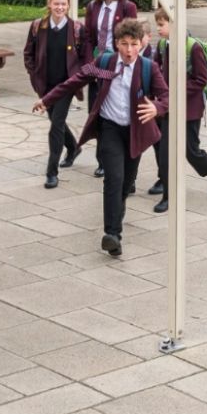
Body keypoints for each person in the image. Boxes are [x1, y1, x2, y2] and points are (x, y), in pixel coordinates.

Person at [34, 18, 168, 257]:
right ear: (116, 43)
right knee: (113, 180)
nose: (128, 50)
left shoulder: (149, 67)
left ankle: (117, 218)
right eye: (124, 44)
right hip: (110, 129)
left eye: (133, 44)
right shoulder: (105, 62)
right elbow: (75, 80)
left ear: (141, 44)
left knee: (126, 184)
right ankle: (112, 235)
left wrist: (157, 108)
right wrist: (47, 100)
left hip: (135, 132)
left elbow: (167, 97)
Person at [148, 8, 207, 214]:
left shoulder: (193, 47)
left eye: (162, 24)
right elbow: (155, 69)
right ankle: (168, 195)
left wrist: (177, 91)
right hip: (167, 107)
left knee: (190, 151)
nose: (158, 29)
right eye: (158, 24)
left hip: (189, 108)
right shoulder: (163, 45)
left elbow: (201, 79)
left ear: (174, 24)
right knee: (165, 153)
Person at [23, 0, 88, 188]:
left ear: (68, 6)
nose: (60, 7)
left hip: (67, 85)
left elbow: (85, 57)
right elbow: (28, 54)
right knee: (55, 120)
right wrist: (34, 75)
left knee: (56, 124)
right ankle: (74, 148)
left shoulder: (77, 28)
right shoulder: (37, 27)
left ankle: (52, 172)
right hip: (46, 85)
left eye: (63, 4)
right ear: (49, 4)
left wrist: (78, 78)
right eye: (56, 3)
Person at [82, 0, 139, 178]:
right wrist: (90, 63)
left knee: (114, 109)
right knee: (97, 111)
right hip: (98, 64)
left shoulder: (127, 6)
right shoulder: (92, 6)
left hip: (118, 64)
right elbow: (87, 36)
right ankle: (103, 160)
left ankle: (120, 157)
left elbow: (133, 35)